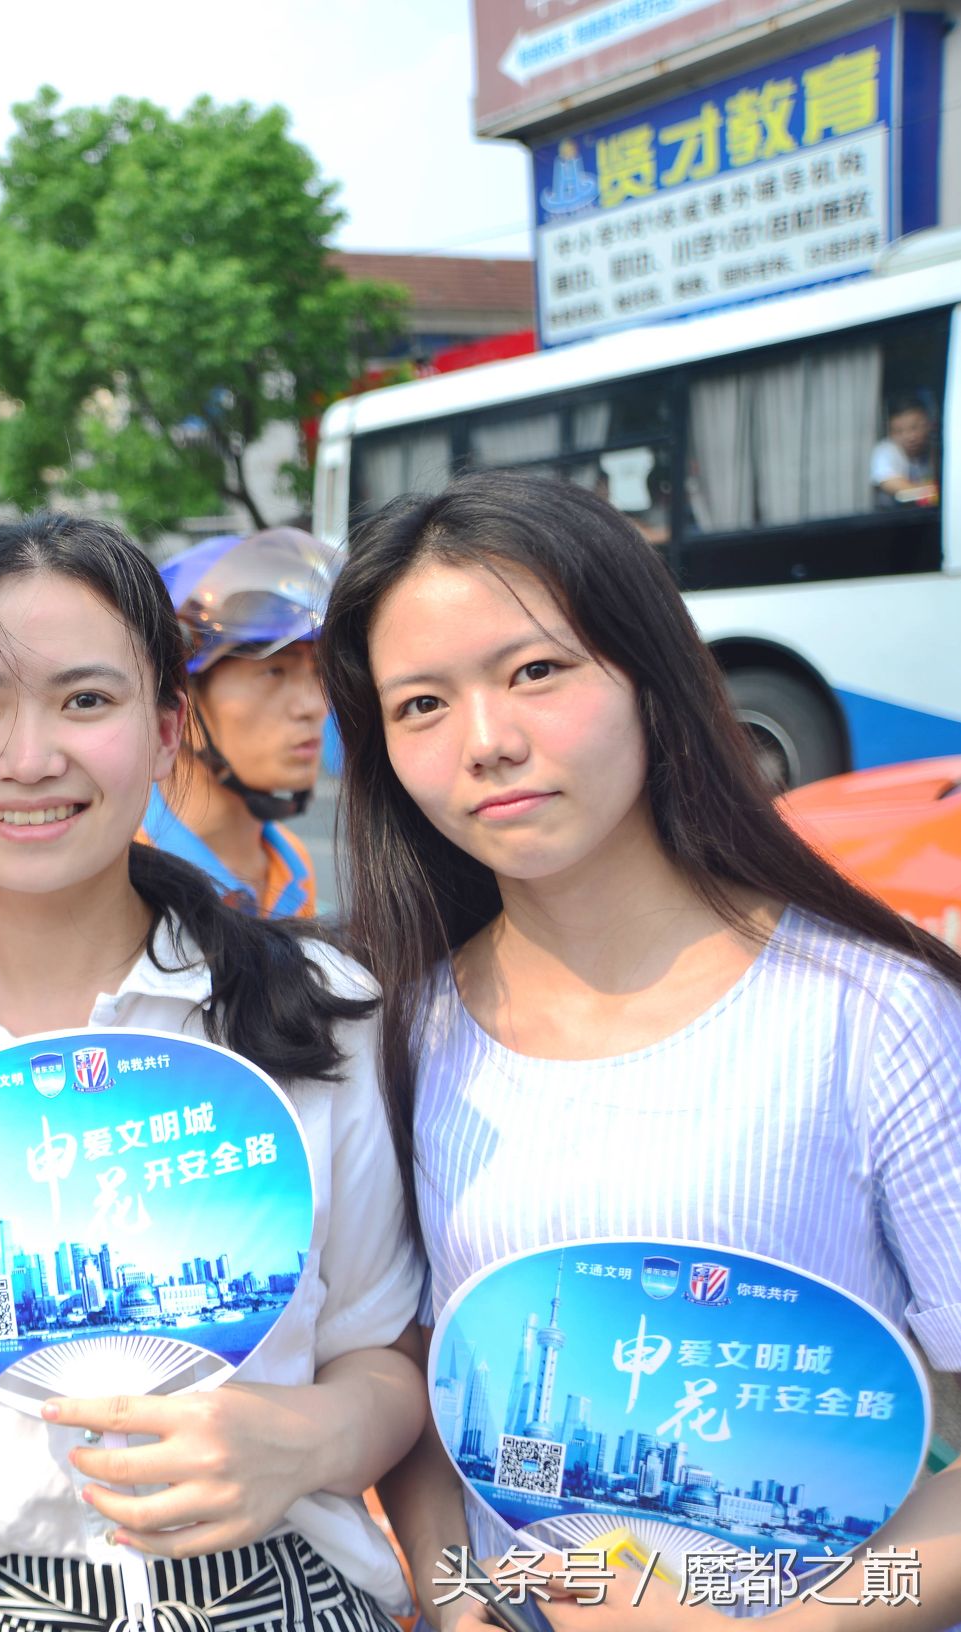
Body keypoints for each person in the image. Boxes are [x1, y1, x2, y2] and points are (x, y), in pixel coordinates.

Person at [320, 472, 961, 1631]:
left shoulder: (873, 1010)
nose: (486, 742)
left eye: (536, 672)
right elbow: (416, 1380)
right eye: (419, 705)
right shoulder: (395, 1035)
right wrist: (459, 1599)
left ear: (650, 680)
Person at [0, 513, 427, 1632]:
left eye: (85, 701)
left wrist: (306, 1439)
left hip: (281, 1587)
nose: (28, 759)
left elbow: (381, 1352)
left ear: (167, 727)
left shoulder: (313, 1013)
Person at [143, 528, 341, 919]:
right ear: (178, 706)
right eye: (274, 673)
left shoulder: (290, 865)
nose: (313, 707)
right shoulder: (118, 866)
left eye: (318, 674)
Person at [871, 401, 939, 508]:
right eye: (899, 431)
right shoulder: (886, 450)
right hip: (893, 519)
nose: (910, 437)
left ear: (927, 425)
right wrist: (934, 492)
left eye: (914, 428)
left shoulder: (935, 449)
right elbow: (893, 485)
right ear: (890, 433)